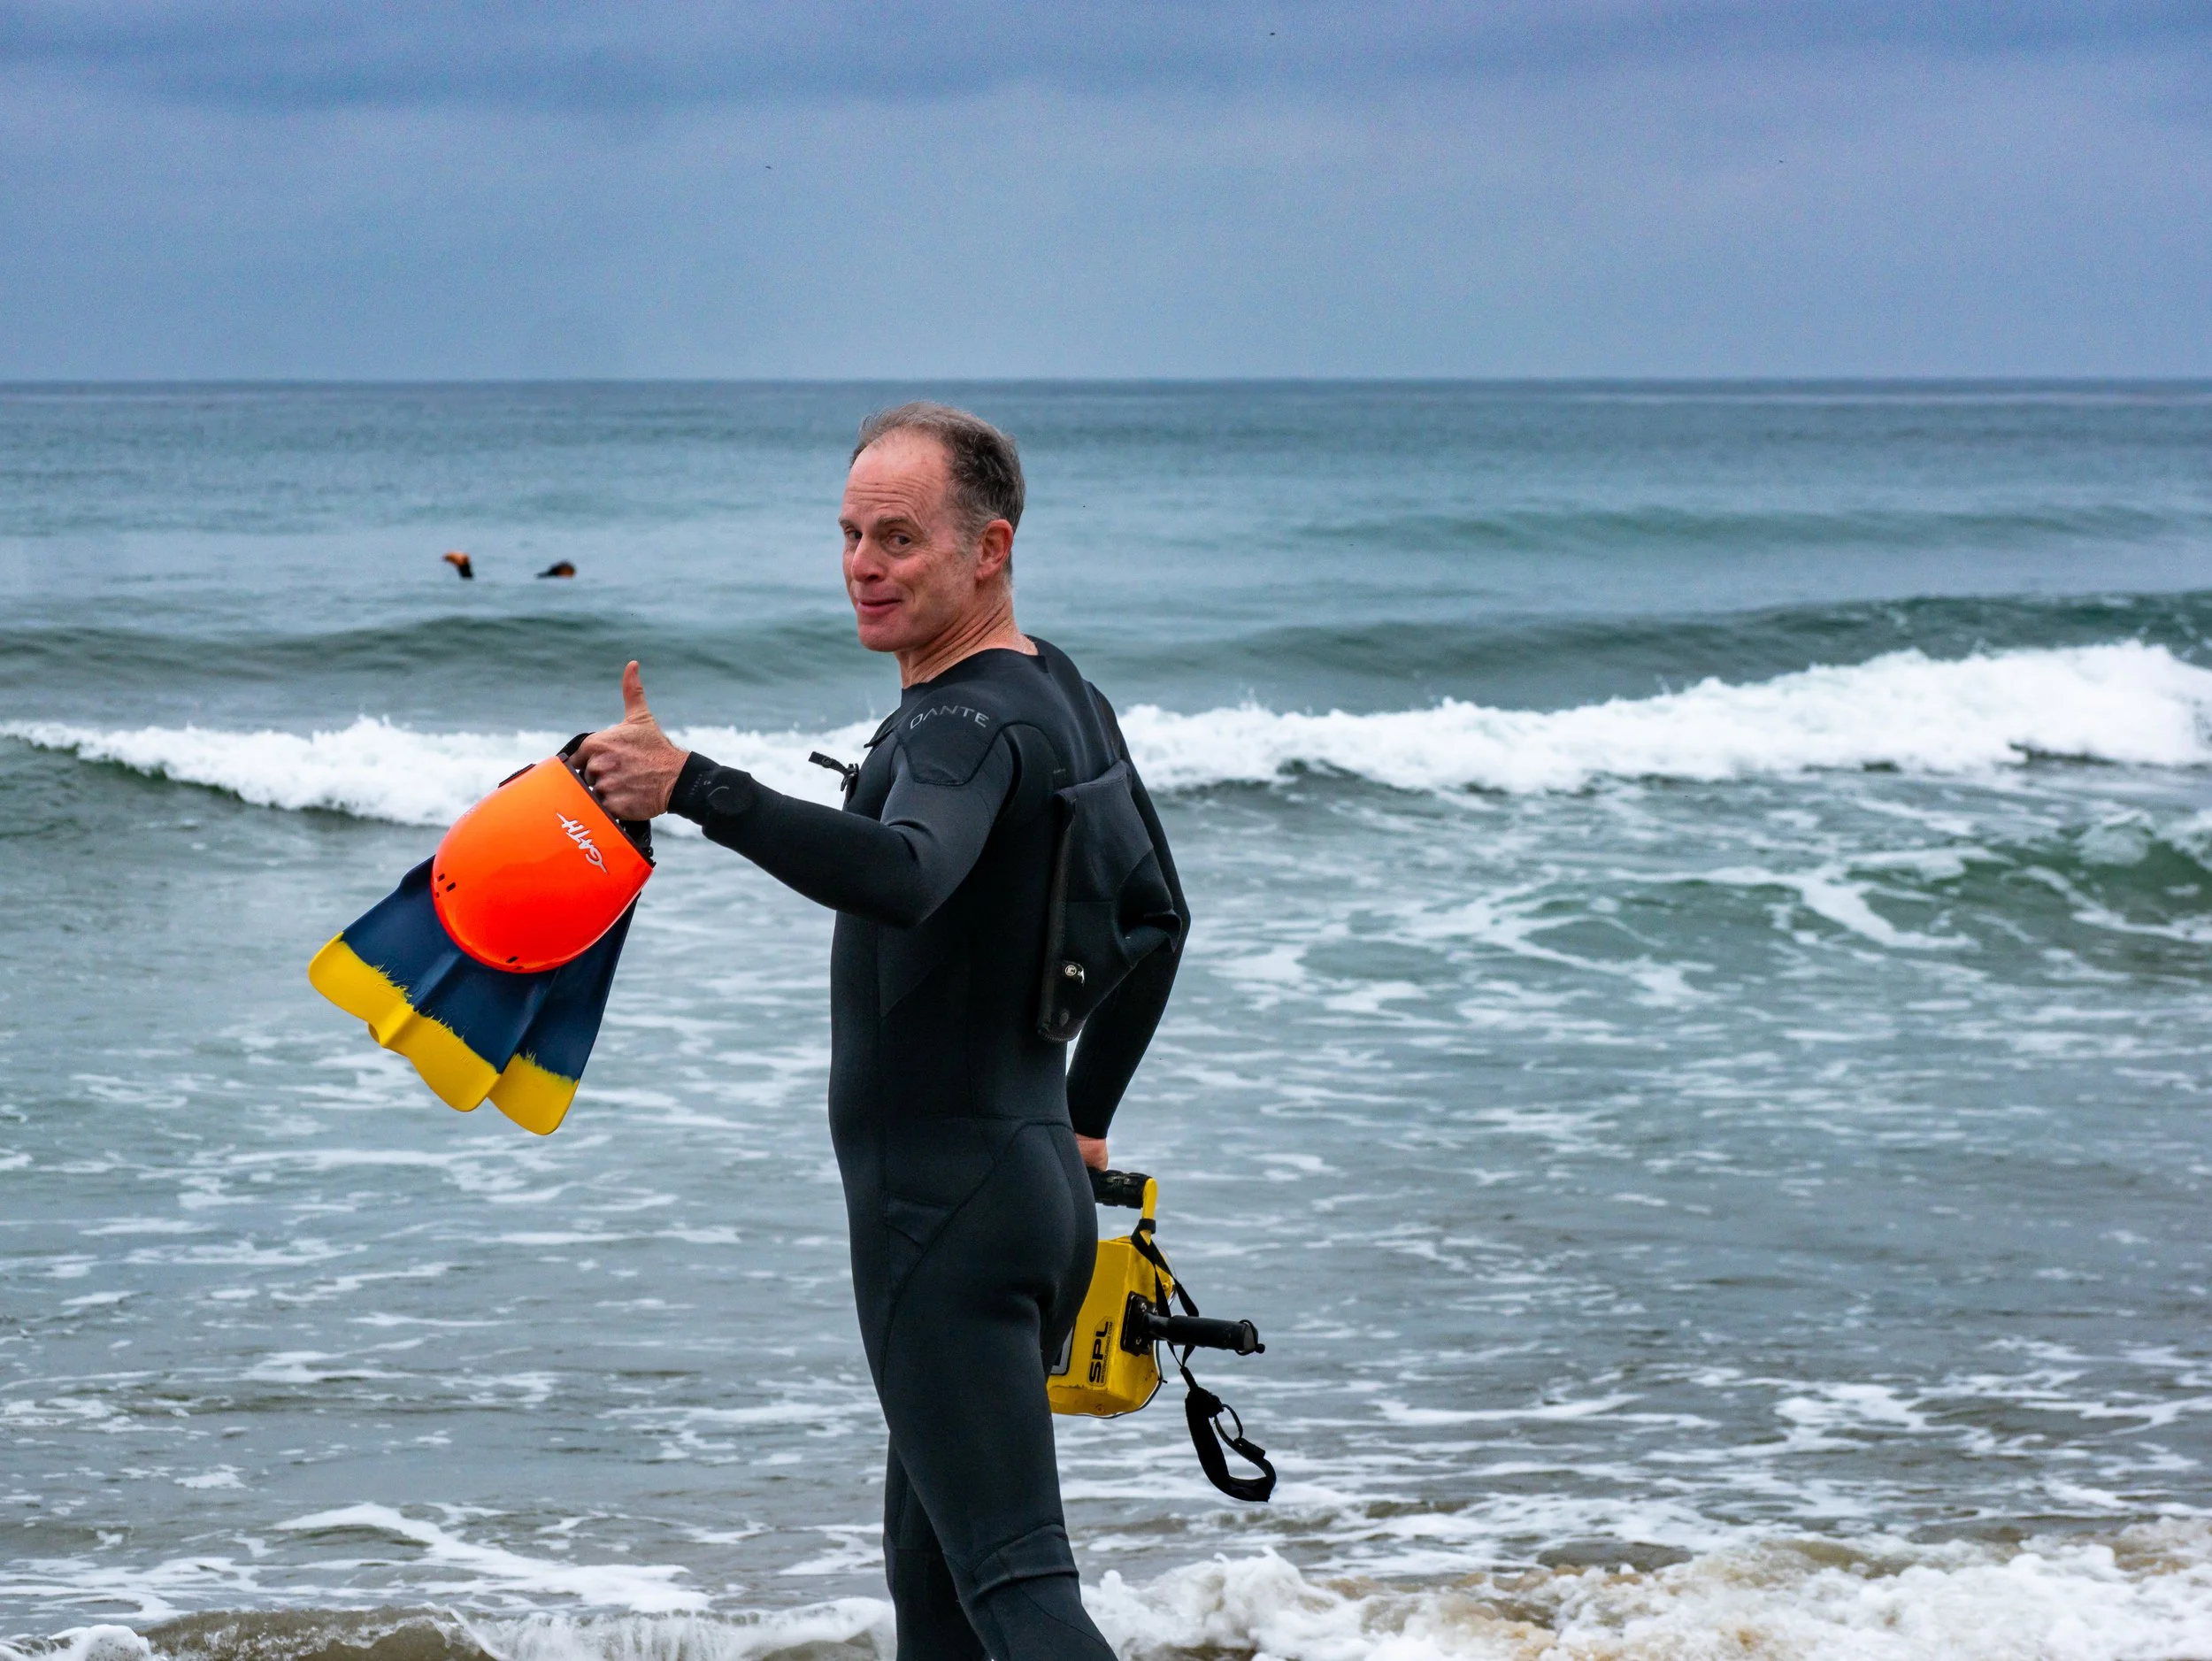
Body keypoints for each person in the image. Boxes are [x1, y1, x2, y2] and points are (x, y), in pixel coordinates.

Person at [574, 402, 1188, 1661]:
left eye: (899, 538)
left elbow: (909, 873)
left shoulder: (962, 722)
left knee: (1015, 1589)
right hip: (1026, 1190)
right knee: (939, 1589)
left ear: (989, 548)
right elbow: (1159, 919)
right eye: (850, 534)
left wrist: (696, 788)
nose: (863, 564)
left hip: (942, 1215)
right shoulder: (1062, 693)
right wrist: (1078, 1122)